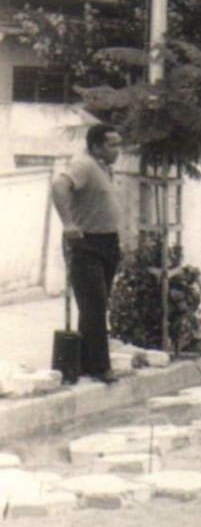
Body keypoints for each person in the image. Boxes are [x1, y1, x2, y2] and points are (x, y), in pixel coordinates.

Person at [51, 123, 125, 385]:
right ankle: (100, 366)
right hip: (86, 244)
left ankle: (85, 362)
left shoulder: (105, 169)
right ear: (96, 146)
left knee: (97, 303)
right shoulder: (84, 165)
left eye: (118, 144)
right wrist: (68, 223)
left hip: (108, 242)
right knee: (93, 304)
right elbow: (59, 186)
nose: (118, 149)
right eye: (112, 145)